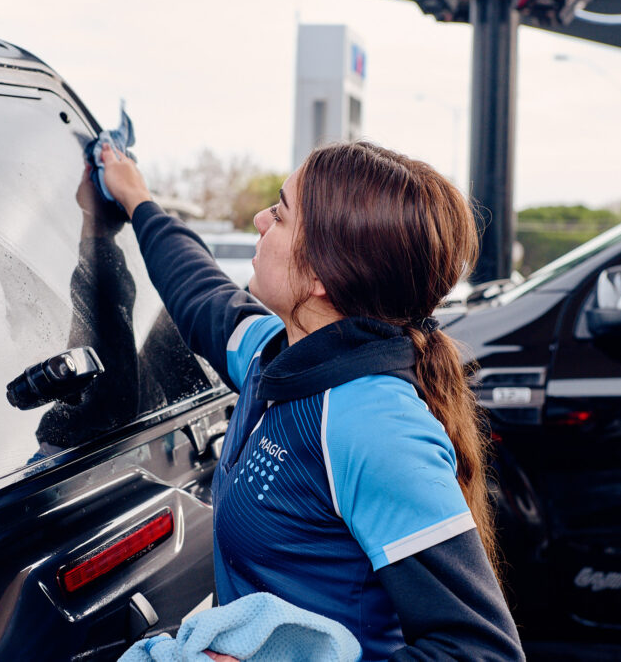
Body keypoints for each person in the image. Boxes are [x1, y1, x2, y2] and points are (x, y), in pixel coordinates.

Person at [100, 140, 523, 661]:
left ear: (323, 273)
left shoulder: (372, 425)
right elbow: (198, 290)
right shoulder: (275, 355)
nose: (258, 219)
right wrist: (137, 199)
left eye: (279, 214)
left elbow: (481, 652)